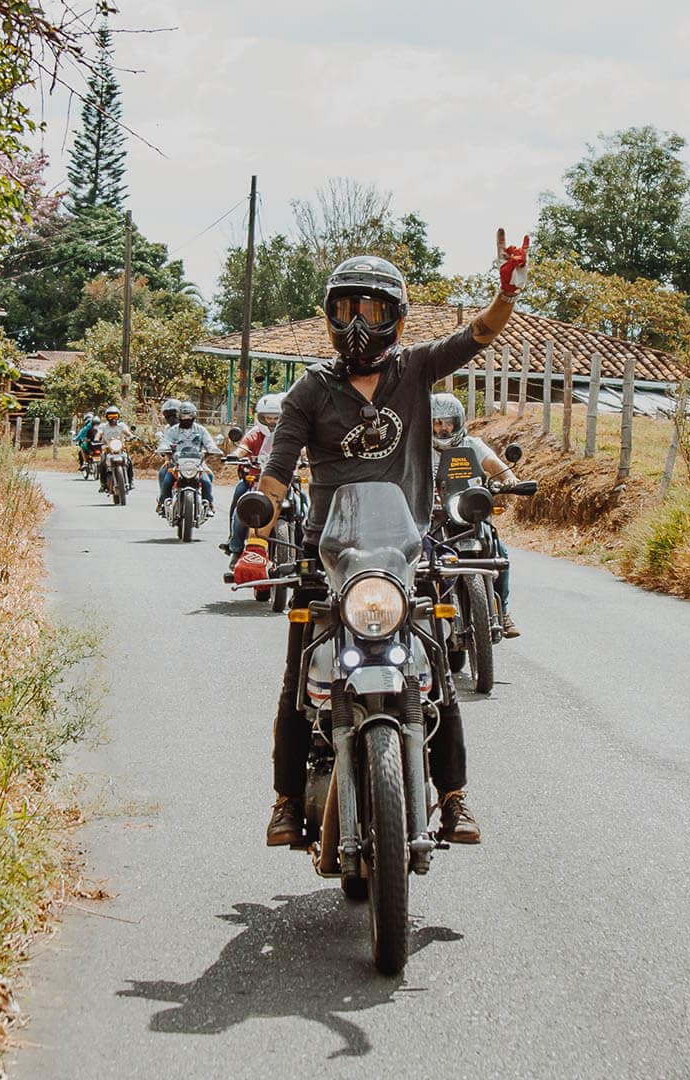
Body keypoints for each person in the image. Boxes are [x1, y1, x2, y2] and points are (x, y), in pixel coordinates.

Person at [235, 229, 531, 847]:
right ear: (329, 314)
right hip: (327, 557)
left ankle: (454, 798)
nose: (358, 324)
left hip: (406, 552)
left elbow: (478, 334)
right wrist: (258, 540)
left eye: (372, 310)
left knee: (435, 676)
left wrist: (507, 293)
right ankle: (286, 801)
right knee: (299, 683)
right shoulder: (309, 391)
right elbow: (277, 472)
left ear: (396, 317)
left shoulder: (416, 368)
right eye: (346, 309)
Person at [431, 392, 520, 638]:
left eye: (449, 422)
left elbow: (494, 464)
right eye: (437, 422)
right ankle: (425, 615)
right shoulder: (419, 450)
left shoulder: (472, 444)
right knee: (423, 559)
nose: (443, 428)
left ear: (458, 422)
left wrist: (508, 478)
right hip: (434, 516)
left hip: (471, 513)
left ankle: (502, 611)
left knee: (499, 551)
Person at [222, 392, 285, 566]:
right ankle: (235, 548)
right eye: (268, 417)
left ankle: (309, 551)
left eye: (276, 418)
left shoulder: (288, 433)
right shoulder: (255, 433)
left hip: (284, 482)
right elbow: (243, 447)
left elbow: (302, 448)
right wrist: (236, 455)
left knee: (306, 507)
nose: (272, 421)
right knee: (240, 507)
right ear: (260, 417)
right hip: (255, 480)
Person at [155, 401, 221, 512]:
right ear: (179, 416)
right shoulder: (173, 430)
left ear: (194, 416)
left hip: (197, 464)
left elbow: (209, 443)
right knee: (166, 481)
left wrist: (213, 449)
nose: (186, 419)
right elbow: (166, 442)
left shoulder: (201, 430)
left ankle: (208, 503)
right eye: (183, 416)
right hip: (177, 464)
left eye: (189, 416)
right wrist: (164, 448)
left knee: (207, 481)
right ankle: (164, 503)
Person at [93, 405, 134, 492]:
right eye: (110, 416)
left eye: (114, 416)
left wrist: (131, 436)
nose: (113, 418)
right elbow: (99, 433)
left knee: (129, 461)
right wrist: (96, 439)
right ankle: (103, 484)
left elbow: (127, 432)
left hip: (120, 449)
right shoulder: (103, 426)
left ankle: (131, 481)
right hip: (107, 449)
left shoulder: (121, 425)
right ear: (107, 417)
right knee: (102, 463)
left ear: (118, 416)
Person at [154, 398, 182, 513]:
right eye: (168, 416)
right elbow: (164, 443)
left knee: (208, 475)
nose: (171, 419)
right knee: (162, 473)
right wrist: (166, 457)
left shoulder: (191, 427)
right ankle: (163, 500)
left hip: (192, 461)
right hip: (174, 461)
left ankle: (207, 502)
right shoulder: (167, 429)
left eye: (174, 415)